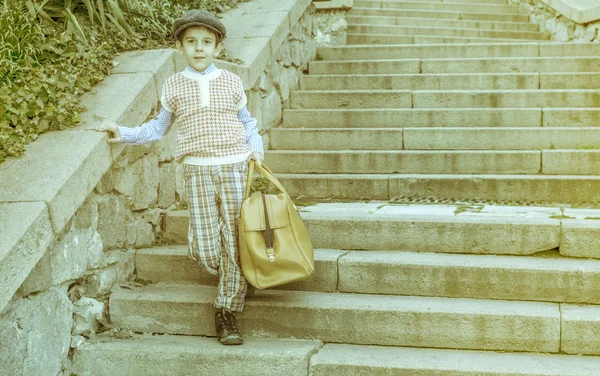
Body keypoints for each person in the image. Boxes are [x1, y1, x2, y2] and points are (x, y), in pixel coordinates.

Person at [96, 9, 263, 346]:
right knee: (204, 245)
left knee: (234, 236)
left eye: (206, 42)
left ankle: (226, 311)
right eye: (191, 42)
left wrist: (256, 149)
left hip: (234, 165)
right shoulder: (173, 85)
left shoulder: (231, 81)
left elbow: (248, 122)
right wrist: (124, 132)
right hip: (196, 170)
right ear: (181, 47)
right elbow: (157, 128)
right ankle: (238, 272)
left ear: (217, 47)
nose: (199, 48)